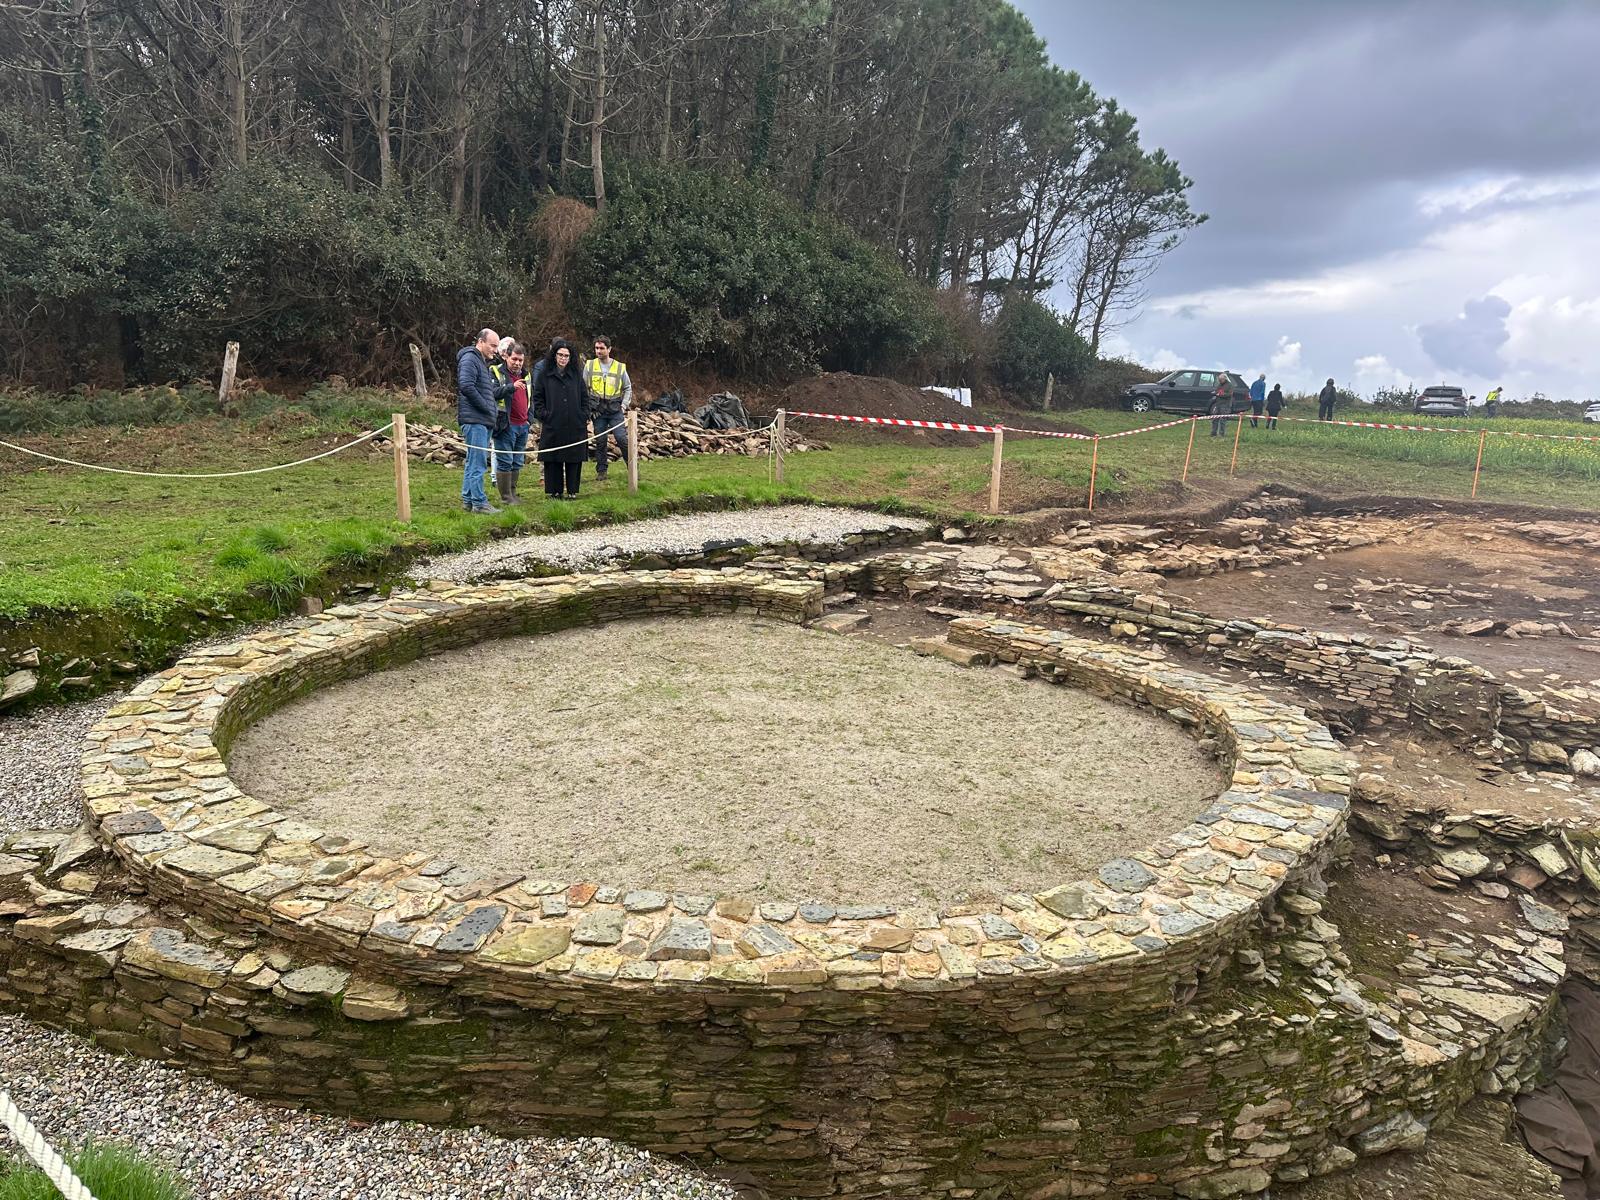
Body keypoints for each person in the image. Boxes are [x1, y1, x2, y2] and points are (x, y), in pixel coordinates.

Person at [534, 338, 592, 499]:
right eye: (560, 355)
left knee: (574, 458)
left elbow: (584, 397)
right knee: (553, 458)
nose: (563, 358)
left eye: (566, 356)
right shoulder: (545, 374)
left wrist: (583, 414)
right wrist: (545, 415)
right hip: (553, 423)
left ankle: (572, 490)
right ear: (554, 355)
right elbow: (537, 398)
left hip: (575, 423)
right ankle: (554, 490)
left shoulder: (576, 375)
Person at [456, 327, 501, 514]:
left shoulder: (480, 361)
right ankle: (479, 502)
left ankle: (468, 500)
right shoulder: (470, 359)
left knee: (472, 461)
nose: (495, 350)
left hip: (481, 419)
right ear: (480, 342)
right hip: (476, 419)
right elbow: (466, 385)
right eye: (492, 345)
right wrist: (485, 406)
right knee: (478, 463)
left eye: (497, 346)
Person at [582, 334, 632, 482]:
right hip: (598, 411)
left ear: (609, 349)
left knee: (622, 439)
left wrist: (624, 406)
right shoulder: (589, 366)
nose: (598, 351)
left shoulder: (619, 367)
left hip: (615, 409)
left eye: (601, 348)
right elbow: (584, 388)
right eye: (596, 348)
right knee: (600, 440)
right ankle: (601, 471)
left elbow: (628, 387)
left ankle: (632, 468)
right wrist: (588, 408)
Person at [492, 341, 530, 505]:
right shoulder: (495, 372)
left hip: (523, 424)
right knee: (505, 461)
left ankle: (513, 493)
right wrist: (510, 387)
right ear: (506, 356)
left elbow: (531, 397)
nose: (517, 363)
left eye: (520, 360)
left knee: (517, 461)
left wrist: (530, 418)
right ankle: (506, 497)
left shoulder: (526, 375)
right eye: (514, 359)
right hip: (505, 424)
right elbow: (492, 393)